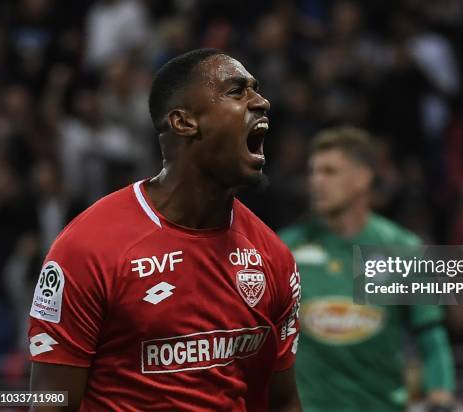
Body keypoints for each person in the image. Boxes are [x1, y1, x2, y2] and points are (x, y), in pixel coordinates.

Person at [28, 48, 302, 411]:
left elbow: (281, 402)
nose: (262, 102)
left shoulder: (273, 257)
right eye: (237, 91)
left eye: (256, 89)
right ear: (184, 122)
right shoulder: (87, 248)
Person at [279, 126, 454, 411]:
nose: (315, 182)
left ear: (362, 178)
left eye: (329, 172)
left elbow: (431, 337)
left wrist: (440, 395)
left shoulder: (403, 250)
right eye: (312, 172)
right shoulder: (285, 249)